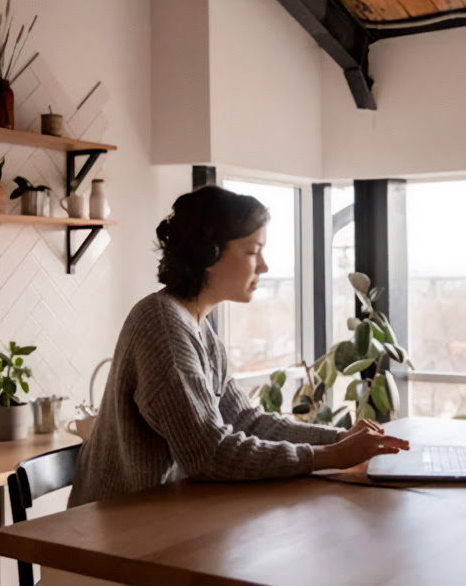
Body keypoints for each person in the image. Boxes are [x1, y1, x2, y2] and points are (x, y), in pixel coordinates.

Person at [68, 185, 409, 507]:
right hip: (109, 532)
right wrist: (329, 456)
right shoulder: (163, 327)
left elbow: (246, 420)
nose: (264, 266)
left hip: (160, 514)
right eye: (253, 252)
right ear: (208, 254)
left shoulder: (197, 326)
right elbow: (208, 454)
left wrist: (339, 439)